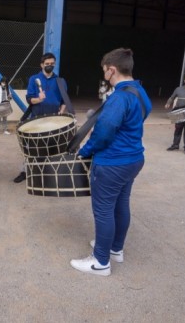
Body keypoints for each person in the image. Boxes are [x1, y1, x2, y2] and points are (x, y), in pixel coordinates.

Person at [70, 48, 152, 277]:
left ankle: (100, 261)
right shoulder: (139, 91)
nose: (104, 74)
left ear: (111, 70)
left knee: (104, 210)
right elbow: (144, 113)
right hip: (134, 159)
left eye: (104, 70)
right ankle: (115, 249)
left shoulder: (119, 97)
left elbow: (104, 132)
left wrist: (85, 151)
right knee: (121, 203)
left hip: (112, 163)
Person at [13, 52, 71, 183]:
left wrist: (62, 111)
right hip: (37, 118)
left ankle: (49, 173)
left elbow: (64, 100)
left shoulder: (60, 81)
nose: (49, 66)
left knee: (51, 147)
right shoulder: (34, 79)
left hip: (54, 119)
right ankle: (25, 171)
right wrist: (38, 99)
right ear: (41, 65)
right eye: (47, 64)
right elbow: (29, 99)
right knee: (32, 147)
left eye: (52, 64)